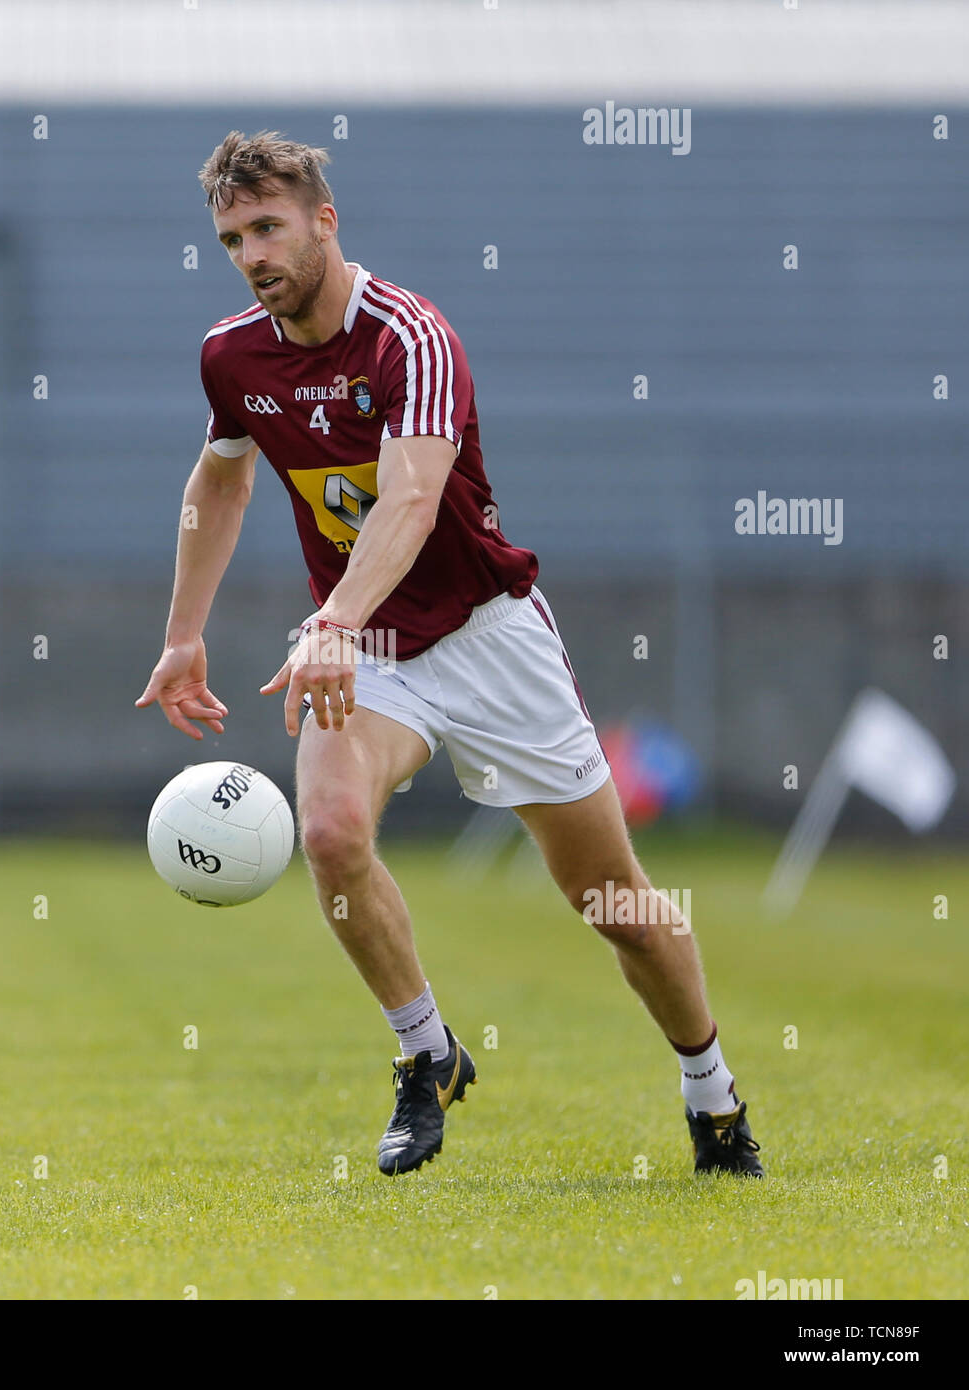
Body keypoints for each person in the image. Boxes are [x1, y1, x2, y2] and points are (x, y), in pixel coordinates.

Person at [137, 130, 762, 1179]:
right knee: (332, 831)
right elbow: (221, 481)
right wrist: (184, 633)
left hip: (488, 635)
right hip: (367, 647)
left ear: (324, 221)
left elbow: (415, 498)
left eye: (269, 227)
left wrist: (331, 617)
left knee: (615, 904)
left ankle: (713, 1093)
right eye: (232, 236)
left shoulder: (411, 337)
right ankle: (426, 1054)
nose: (251, 252)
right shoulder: (231, 355)